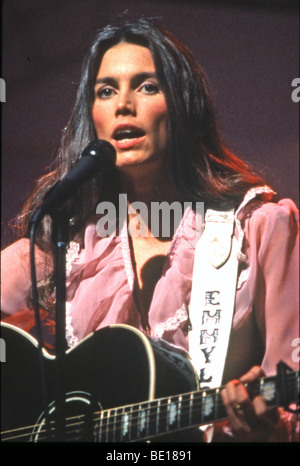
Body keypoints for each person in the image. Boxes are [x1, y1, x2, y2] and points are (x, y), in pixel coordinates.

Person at [1, 18, 299, 443]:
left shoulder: (257, 228)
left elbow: (290, 394)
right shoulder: (68, 246)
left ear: (182, 105)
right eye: (106, 91)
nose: (123, 104)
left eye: (147, 86)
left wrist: (268, 428)